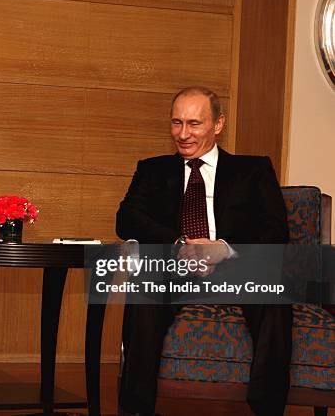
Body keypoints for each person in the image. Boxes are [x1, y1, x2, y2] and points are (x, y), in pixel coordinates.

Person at [116, 86, 291, 415]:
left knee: (274, 291)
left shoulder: (253, 170)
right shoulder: (153, 170)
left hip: (237, 267)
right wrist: (180, 246)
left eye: (194, 124)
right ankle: (136, 408)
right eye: (176, 123)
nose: (183, 134)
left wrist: (224, 249)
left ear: (218, 124)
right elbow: (126, 218)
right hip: (175, 267)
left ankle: (268, 408)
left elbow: (276, 228)